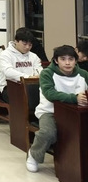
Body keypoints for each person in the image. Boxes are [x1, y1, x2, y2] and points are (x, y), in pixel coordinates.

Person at [26, 45, 88, 173]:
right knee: (48, 133)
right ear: (56, 60)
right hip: (49, 111)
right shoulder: (47, 73)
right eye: (63, 59)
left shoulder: (83, 74)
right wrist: (75, 98)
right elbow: (50, 94)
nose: (67, 63)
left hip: (75, 112)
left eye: (71, 59)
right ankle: (33, 155)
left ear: (76, 60)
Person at [0, 28, 42, 103]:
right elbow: (8, 72)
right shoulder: (5, 54)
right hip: (10, 87)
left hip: (31, 86)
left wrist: (38, 76)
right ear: (16, 41)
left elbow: (39, 70)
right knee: (27, 97)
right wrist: (28, 77)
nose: (27, 47)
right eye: (24, 44)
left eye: (30, 45)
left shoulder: (33, 56)